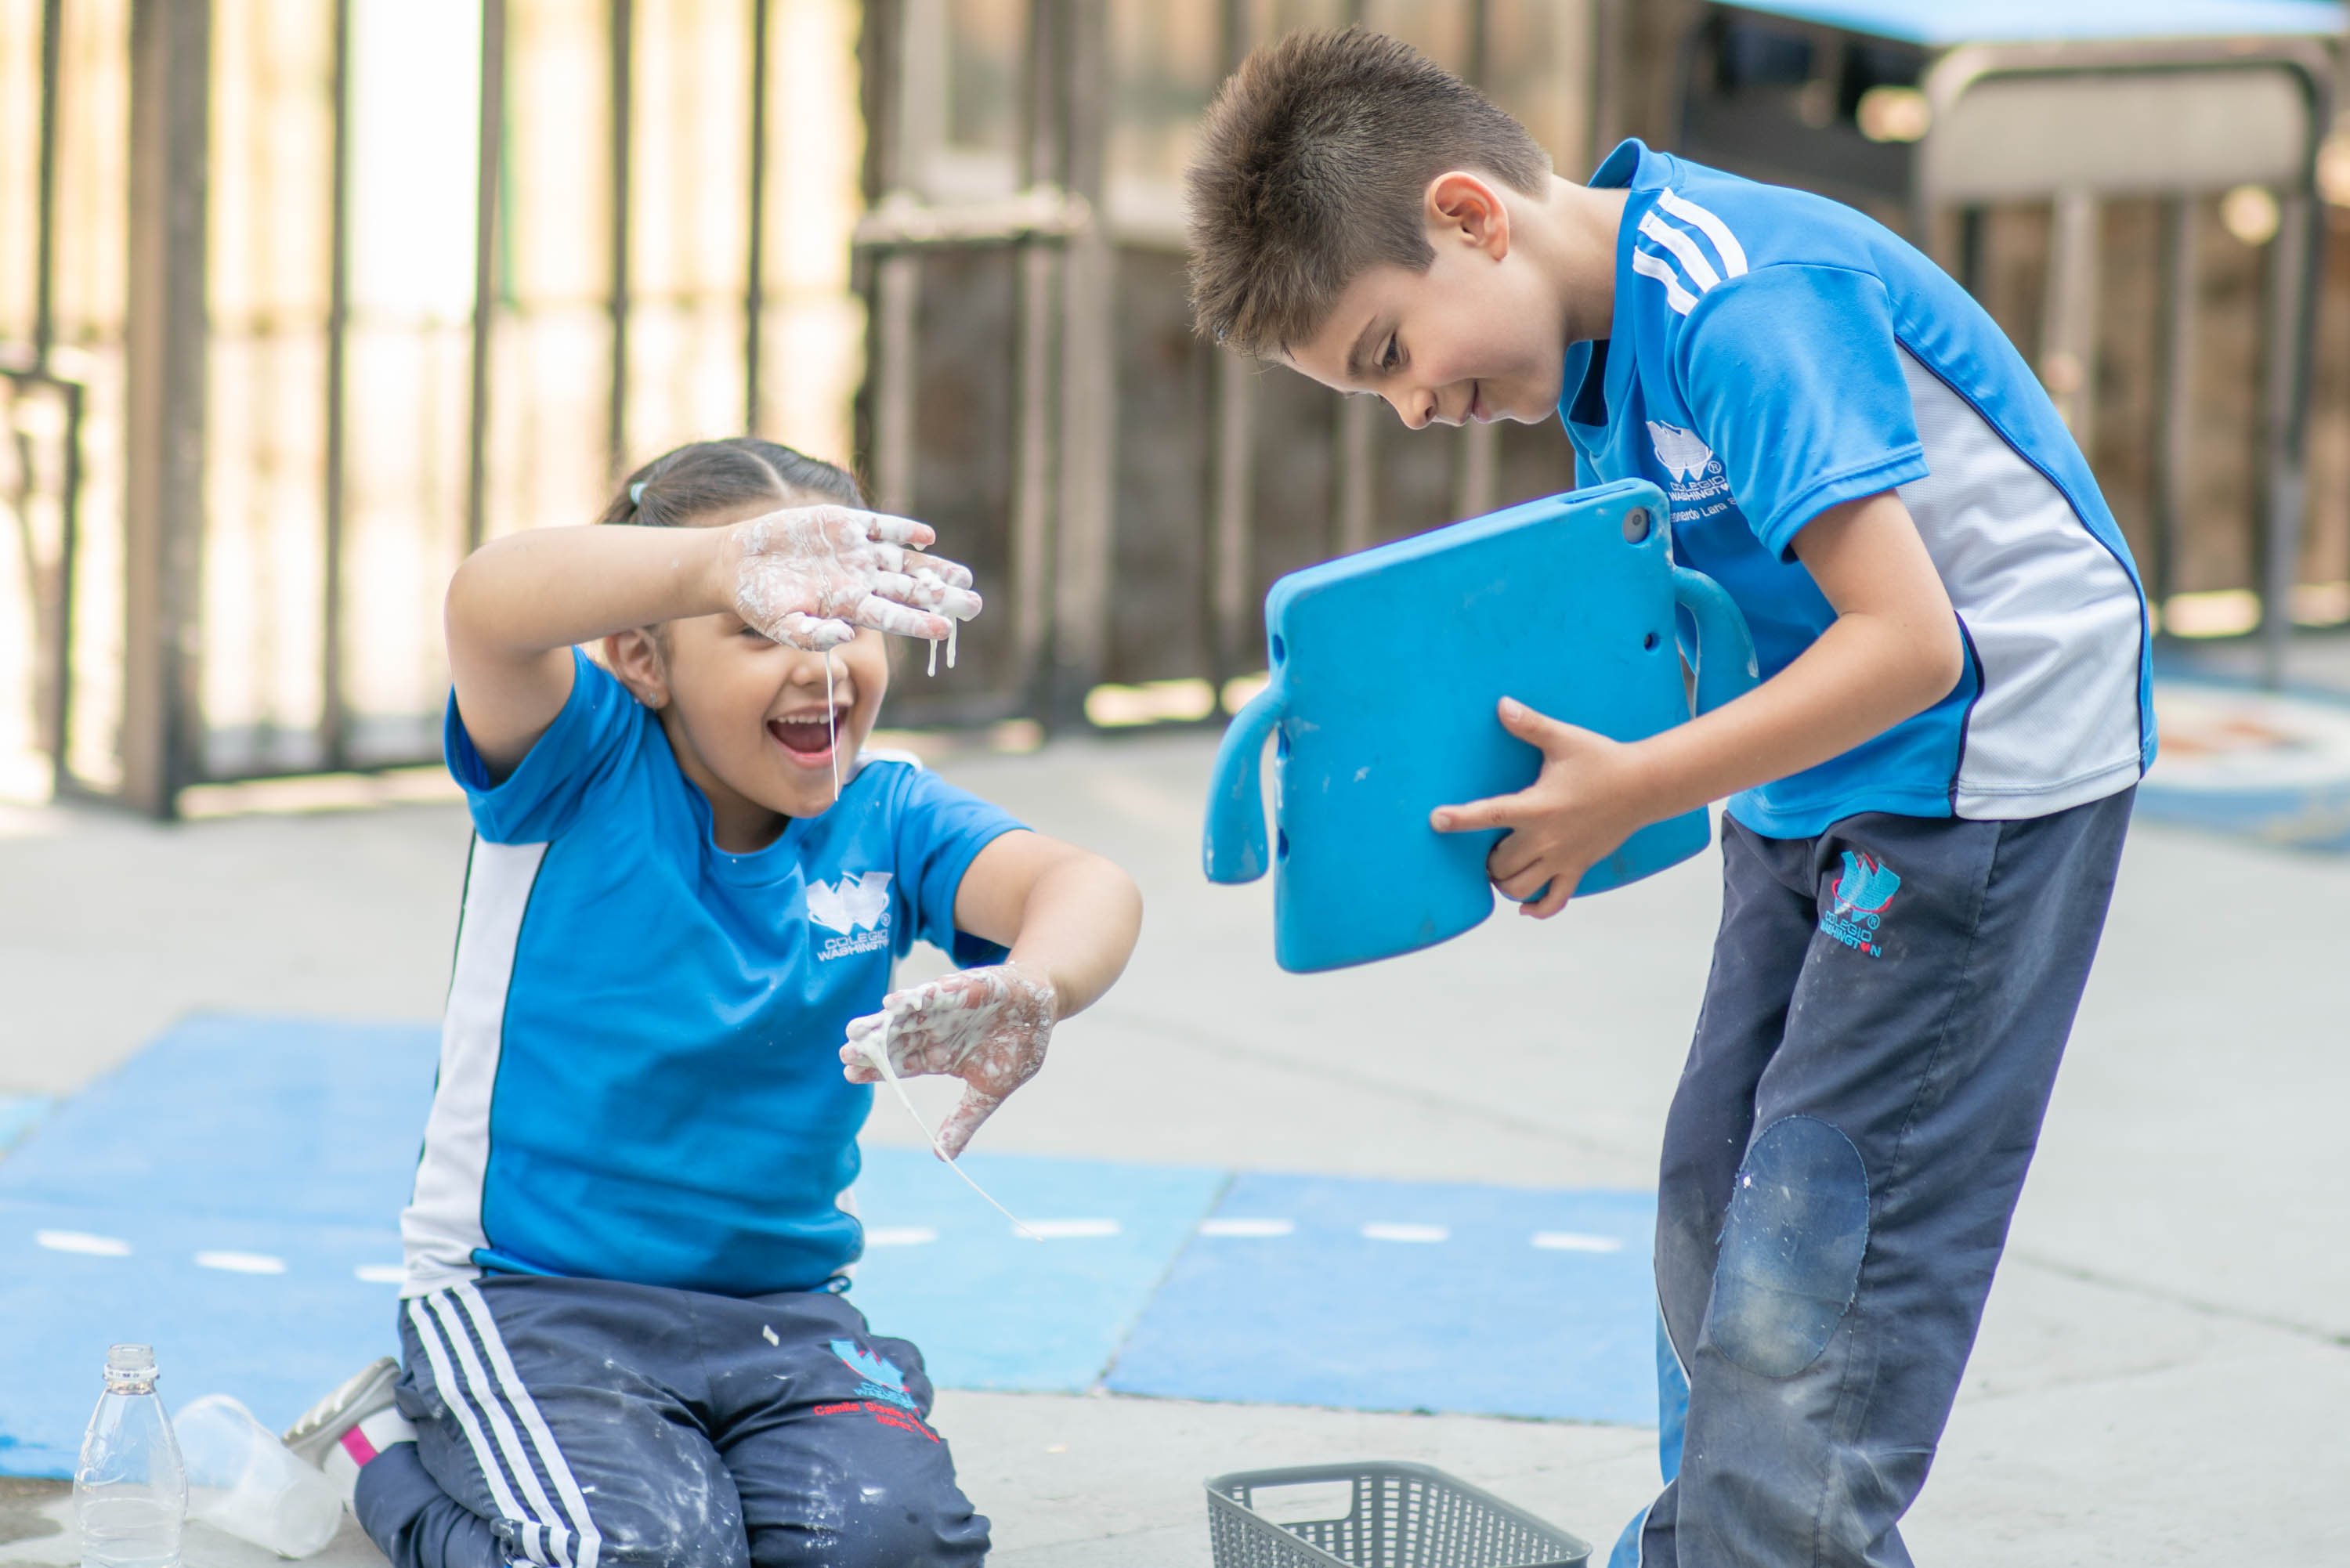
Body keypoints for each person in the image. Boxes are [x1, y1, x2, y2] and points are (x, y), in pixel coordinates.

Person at [1184, 29, 2149, 1568]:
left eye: (1386, 355)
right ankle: (1724, 1537)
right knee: (1716, 1181)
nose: (1414, 411)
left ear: (1470, 215)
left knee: (1821, 1227)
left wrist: (1635, 785)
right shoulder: (1597, 349)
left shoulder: (1735, 302)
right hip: (1809, 764)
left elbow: (1910, 644)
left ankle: (1765, 1536)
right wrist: (1578, 800)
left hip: (1984, 764)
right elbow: (1697, 615)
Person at [279, 437, 1144, 1568]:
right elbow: (487, 602)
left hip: (782, 1314)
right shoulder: (576, 759)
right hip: (532, 1300)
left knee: (897, 1544)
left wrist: (1041, 984)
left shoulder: (887, 815)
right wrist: (713, 565)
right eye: (766, 625)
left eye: (848, 620)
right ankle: (381, 1454)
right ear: (641, 655)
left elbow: (1086, 884)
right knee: (640, 1553)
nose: (820, 662)